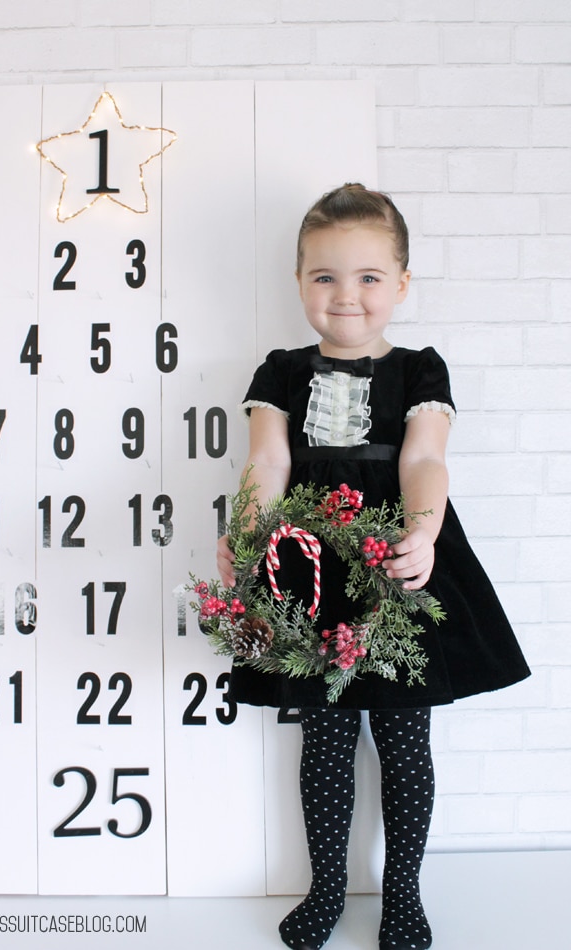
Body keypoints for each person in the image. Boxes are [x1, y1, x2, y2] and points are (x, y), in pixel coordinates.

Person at [217, 183, 530, 950]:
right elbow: (266, 462)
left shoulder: (420, 368)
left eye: (367, 278)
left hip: (396, 561)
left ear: (401, 284)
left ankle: (403, 896)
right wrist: (246, 537)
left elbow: (425, 458)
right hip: (312, 568)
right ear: (298, 282)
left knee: (402, 740)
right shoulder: (282, 370)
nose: (345, 297)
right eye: (324, 277)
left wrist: (421, 534)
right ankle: (327, 889)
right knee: (323, 739)